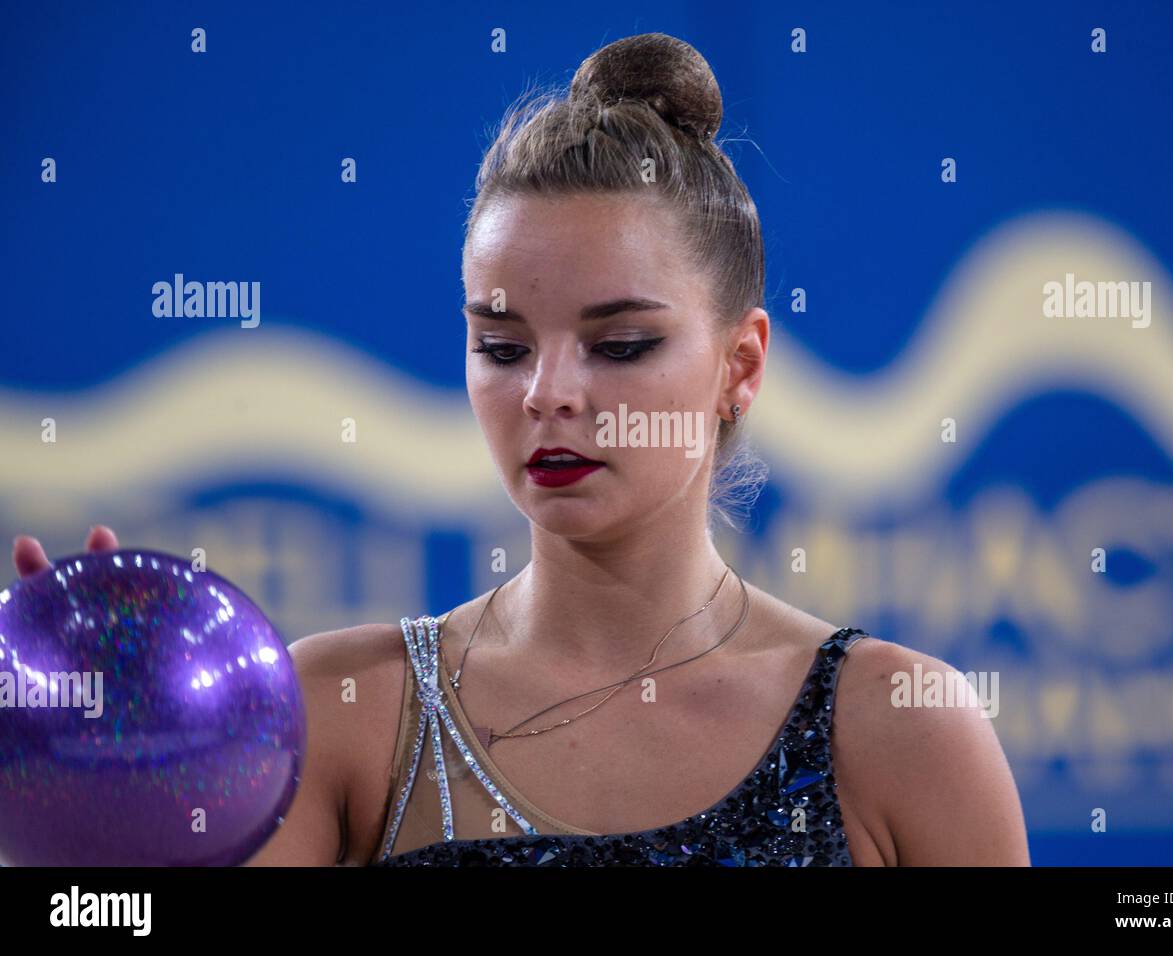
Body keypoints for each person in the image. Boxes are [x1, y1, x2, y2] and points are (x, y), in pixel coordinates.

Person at [11, 33, 1029, 866]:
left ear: (740, 365)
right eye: (500, 345)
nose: (548, 392)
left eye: (619, 343)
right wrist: (77, 807)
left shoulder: (901, 731)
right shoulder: (340, 715)